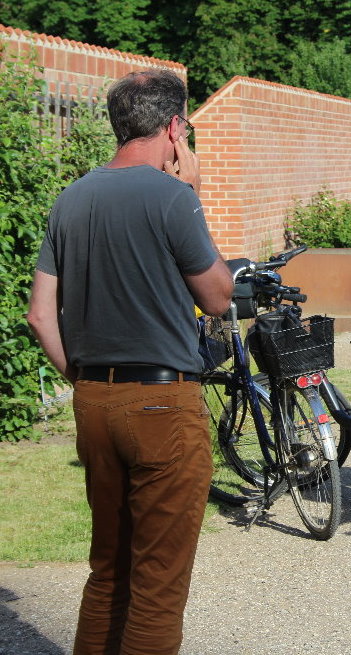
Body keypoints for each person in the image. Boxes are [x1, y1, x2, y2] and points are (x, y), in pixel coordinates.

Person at [27, 69, 234, 655]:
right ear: (174, 127)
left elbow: (41, 316)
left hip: (93, 400)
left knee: (109, 571)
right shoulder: (172, 197)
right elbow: (217, 296)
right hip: (163, 404)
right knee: (158, 585)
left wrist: (88, 381)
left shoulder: (70, 198)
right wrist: (192, 193)